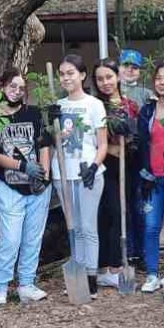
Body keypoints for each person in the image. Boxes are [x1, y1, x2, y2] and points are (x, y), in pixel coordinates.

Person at [0, 69, 53, 307]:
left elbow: (44, 145)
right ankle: (0, 286)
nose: (16, 91)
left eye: (20, 88)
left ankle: (26, 283)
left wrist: (43, 175)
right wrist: (23, 166)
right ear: (2, 86)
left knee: (32, 237)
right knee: (10, 239)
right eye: (11, 86)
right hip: (10, 184)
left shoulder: (34, 114)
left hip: (37, 188)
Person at [54, 54, 109, 297]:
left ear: (82, 75)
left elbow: (103, 144)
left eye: (71, 73)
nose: (66, 77)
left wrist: (94, 167)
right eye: (62, 73)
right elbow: (51, 142)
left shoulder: (94, 105)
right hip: (63, 173)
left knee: (88, 226)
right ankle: (76, 276)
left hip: (88, 173)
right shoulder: (57, 106)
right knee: (72, 227)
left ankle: (91, 276)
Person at [93, 58, 140, 290]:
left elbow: (137, 137)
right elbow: (91, 141)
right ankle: (107, 267)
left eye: (109, 77)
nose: (105, 82)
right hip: (104, 166)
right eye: (100, 79)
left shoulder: (130, 105)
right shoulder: (94, 106)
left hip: (126, 168)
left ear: (118, 77)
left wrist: (130, 145)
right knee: (108, 214)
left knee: (123, 213)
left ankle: (116, 264)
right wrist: (113, 149)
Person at [134, 60, 164, 293]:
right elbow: (142, 143)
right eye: (159, 78)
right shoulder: (147, 110)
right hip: (152, 178)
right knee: (151, 226)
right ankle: (152, 273)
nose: (162, 82)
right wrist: (144, 172)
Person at [119, 49, 152, 266]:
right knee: (122, 206)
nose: (130, 70)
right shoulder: (109, 91)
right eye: (126, 65)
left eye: (134, 67)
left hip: (140, 156)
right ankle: (125, 252)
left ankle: (141, 252)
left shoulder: (147, 94)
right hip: (117, 155)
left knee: (139, 206)